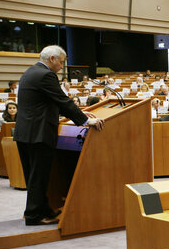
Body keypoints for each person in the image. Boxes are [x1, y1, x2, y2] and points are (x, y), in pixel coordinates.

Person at [14, 45, 104, 226]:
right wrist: (86, 121)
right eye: (61, 62)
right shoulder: (47, 75)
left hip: (25, 132)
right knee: (39, 176)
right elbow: (62, 101)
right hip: (39, 133)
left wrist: (79, 115)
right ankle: (34, 215)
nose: (62, 66)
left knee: (34, 175)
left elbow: (42, 104)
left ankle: (43, 209)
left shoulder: (31, 72)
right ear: (52, 59)